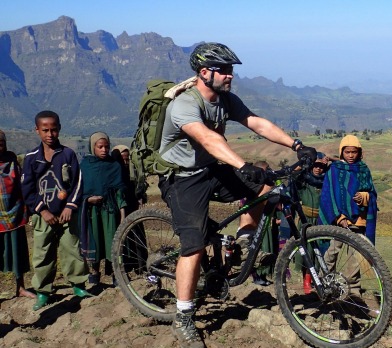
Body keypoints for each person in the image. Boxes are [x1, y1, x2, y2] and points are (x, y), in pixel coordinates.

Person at [157, 42, 316, 347]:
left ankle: (243, 242)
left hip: (208, 170)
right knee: (193, 246)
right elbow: (207, 138)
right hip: (181, 179)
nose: (231, 76)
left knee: (265, 185)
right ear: (205, 73)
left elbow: (255, 122)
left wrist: (296, 145)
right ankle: (183, 316)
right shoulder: (184, 105)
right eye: (225, 71)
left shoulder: (225, 100)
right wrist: (243, 165)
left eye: (231, 70)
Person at [21, 110, 93, 311]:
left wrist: (70, 206)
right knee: (42, 253)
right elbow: (27, 188)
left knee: (72, 248)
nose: (50, 134)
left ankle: (78, 284)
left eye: (53, 130)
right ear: (37, 130)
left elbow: (78, 183)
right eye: (45, 130)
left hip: (66, 215)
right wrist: (42, 210)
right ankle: (43, 291)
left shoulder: (68, 154)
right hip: (44, 217)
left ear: (59, 129)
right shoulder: (31, 158)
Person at [318, 135, 378, 295]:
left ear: (359, 152)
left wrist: (366, 197)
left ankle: (353, 290)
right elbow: (329, 194)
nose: (351, 155)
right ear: (341, 152)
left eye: (354, 152)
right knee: (332, 252)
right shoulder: (335, 170)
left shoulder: (364, 170)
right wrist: (339, 217)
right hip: (338, 221)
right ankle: (323, 283)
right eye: (347, 152)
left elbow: (372, 192)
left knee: (356, 257)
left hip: (359, 220)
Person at [79, 132, 126, 286]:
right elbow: (78, 191)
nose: (104, 150)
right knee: (96, 242)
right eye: (100, 147)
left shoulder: (114, 166)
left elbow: (119, 192)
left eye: (106, 147)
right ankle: (94, 275)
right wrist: (88, 199)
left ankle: (115, 274)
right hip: (91, 212)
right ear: (93, 147)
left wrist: (123, 213)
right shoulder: (85, 166)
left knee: (112, 242)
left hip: (110, 212)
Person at [0, 130, 36, 300]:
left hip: (14, 211)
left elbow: (21, 183)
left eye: (1, 142)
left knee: (17, 252)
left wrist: (27, 208)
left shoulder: (12, 159)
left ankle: (20, 287)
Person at [295, 152, 329, 293]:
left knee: (319, 253)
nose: (317, 169)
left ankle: (316, 279)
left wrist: (330, 160)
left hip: (320, 222)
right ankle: (307, 281)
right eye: (315, 165)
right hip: (306, 222)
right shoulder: (305, 182)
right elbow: (295, 177)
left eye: (321, 166)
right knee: (306, 252)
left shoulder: (326, 183)